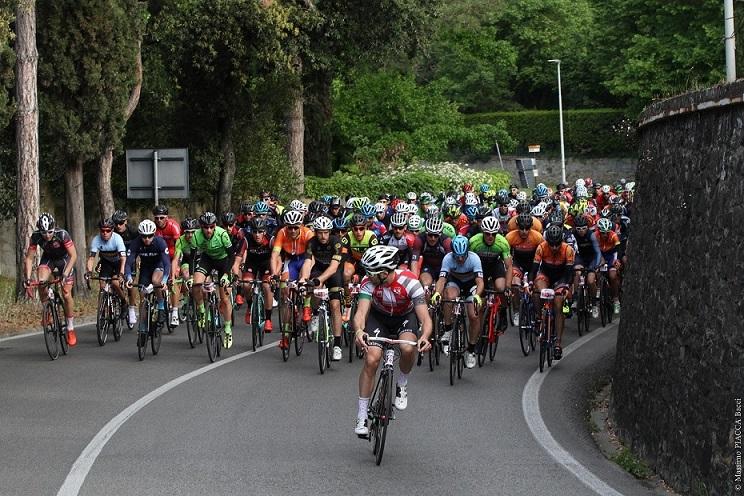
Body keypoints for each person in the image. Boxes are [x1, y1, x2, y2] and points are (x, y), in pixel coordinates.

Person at [353, 245, 432, 437]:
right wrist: (359, 331)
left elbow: (425, 318)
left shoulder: (410, 281)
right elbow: (361, 312)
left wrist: (424, 337)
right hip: (378, 318)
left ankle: (402, 383)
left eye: (372, 273)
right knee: (372, 359)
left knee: (407, 348)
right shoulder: (369, 282)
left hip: (404, 318)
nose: (368, 276)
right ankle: (362, 413)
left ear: (384, 272)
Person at [23, 213, 79, 346]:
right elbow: (30, 258)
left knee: (66, 293)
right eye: (44, 232)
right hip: (48, 259)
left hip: (65, 260)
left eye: (49, 232)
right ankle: (47, 310)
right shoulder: (35, 236)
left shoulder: (62, 234)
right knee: (41, 282)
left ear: (54, 228)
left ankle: (70, 328)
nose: (47, 235)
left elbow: (74, 255)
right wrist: (28, 278)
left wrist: (65, 273)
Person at [431, 235, 484, 369]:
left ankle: (471, 350)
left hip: (471, 285)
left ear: (467, 252)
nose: (460, 259)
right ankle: (448, 330)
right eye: (457, 256)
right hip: (455, 282)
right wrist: (437, 292)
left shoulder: (474, 259)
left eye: (462, 256)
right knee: (449, 297)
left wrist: (477, 295)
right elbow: (442, 279)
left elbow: (479, 282)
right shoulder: (448, 258)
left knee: (474, 315)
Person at [299, 216, 347, 360]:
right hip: (318, 269)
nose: (323, 236)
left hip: (334, 271)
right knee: (312, 287)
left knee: (335, 305)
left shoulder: (336, 242)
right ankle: (315, 314)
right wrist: (304, 279)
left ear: (330, 232)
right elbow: (307, 263)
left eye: (326, 232)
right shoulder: (311, 242)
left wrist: (318, 280)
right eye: (320, 232)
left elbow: (333, 268)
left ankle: (337, 346)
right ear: (316, 232)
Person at [191, 212, 241, 349]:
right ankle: (201, 310)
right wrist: (191, 276)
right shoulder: (196, 235)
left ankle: (227, 329)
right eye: (205, 227)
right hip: (207, 260)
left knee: (224, 298)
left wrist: (225, 275)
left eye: (211, 227)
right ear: (201, 227)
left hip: (224, 261)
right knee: (196, 284)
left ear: (215, 226)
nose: (208, 230)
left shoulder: (222, 234)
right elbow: (193, 258)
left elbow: (232, 256)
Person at [124, 219, 171, 344]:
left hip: (158, 265)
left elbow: (167, 264)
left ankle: (161, 306)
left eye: (150, 236)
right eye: (144, 236)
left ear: (154, 234)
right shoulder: (135, 243)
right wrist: (128, 277)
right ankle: (143, 328)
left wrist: (165, 280)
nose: (147, 239)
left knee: (156, 281)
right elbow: (128, 263)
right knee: (143, 296)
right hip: (145, 268)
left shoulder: (160, 243)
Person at [85, 218, 127, 316]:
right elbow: (91, 258)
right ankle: (104, 309)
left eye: (108, 231)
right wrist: (89, 271)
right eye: (102, 230)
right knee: (102, 285)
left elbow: (123, 258)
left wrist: (121, 273)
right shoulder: (96, 239)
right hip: (106, 263)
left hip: (118, 263)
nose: (105, 233)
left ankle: (124, 302)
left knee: (115, 283)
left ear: (112, 230)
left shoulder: (117, 239)